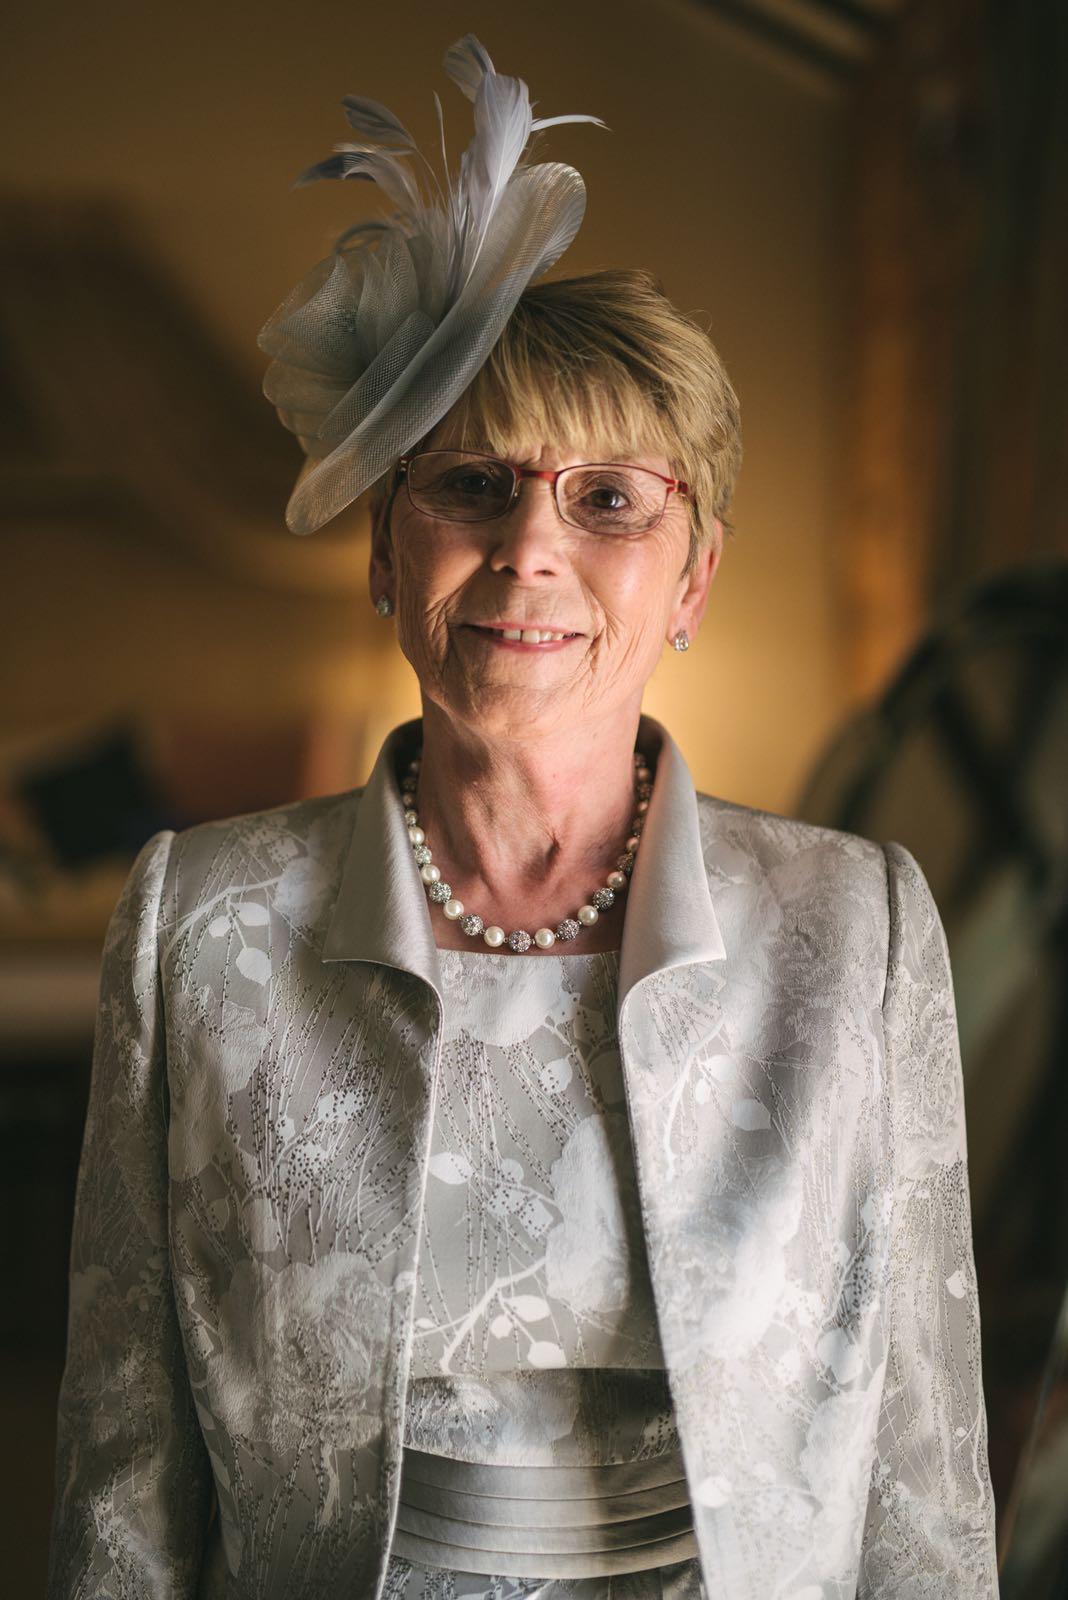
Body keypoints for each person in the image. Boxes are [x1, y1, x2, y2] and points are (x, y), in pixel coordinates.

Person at [46, 32, 999, 1600]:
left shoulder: (859, 925)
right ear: (385, 549)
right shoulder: (192, 926)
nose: (529, 550)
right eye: (471, 485)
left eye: (608, 498)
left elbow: (923, 1468)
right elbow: (123, 1479)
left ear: (692, 579)